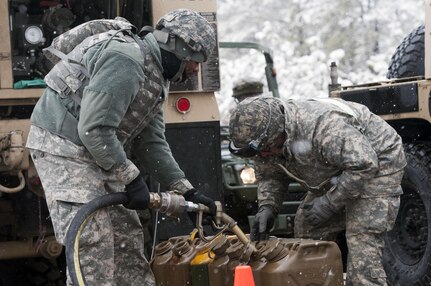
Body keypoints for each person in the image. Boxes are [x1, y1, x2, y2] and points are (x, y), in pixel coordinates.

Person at [26, 9, 216, 286]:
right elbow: (94, 129)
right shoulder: (125, 59)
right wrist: (132, 178)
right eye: (195, 61)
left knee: (126, 240)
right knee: (93, 244)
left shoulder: (156, 75)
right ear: (178, 47)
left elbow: (151, 143)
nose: (195, 69)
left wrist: (186, 190)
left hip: (97, 149)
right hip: (63, 148)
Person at [228, 96, 406, 286]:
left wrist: (329, 203)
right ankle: (319, 280)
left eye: (265, 149)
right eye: (258, 153)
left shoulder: (323, 127)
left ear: (277, 132)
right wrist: (267, 207)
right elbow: (271, 175)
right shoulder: (266, 143)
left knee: (361, 243)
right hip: (336, 168)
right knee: (308, 226)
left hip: (378, 162)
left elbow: (364, 165)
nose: (262, 155)